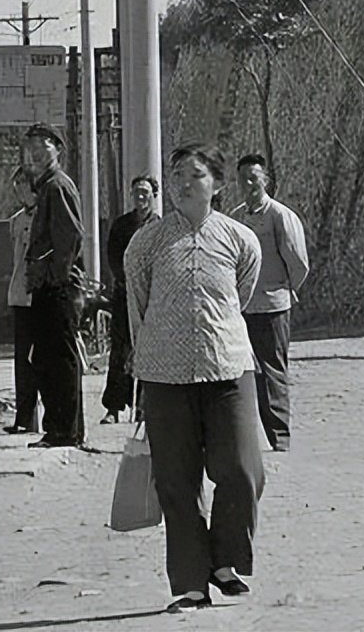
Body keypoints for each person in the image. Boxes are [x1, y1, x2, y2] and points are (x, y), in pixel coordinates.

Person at [125, 143, 265, 613]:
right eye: (178, 174)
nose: (185, 183)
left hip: (227, 366)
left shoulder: (241, 240)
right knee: (176, 482)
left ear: (218, 185)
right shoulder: (147, 242)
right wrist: (152, 349)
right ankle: (190, 582)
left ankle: (224, 561)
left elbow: (240, 295)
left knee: (244, 470)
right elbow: (138, 303)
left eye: (197, 174)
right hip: (164, 375)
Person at [230, 154, 309, 453]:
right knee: (242, 373)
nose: (248, 184)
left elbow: (298, 262)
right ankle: (245, 436)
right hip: (243, 308)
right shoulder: (236, 217)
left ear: (266, 180)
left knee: (273, 370)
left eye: (253, 177)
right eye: (242, 179)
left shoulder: (280, 216)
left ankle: (280, 436)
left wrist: (284, 289)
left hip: (274, 305)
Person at [21, 122, 86, 449]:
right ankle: (61, 428)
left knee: (59, 361)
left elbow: (71, 236)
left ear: (57, 148)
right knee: (48, 359)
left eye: (43, 144)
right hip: (47, 284)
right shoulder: (45, 187)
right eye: (31, 145)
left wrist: (57, 276)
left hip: (56, 286)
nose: (35, 151)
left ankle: (64, 430)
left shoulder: (58, 186)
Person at [100, 174, 160, 424]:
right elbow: (114, 258)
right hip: (124, 295)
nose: (141, 197)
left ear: (154, 196)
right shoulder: (121, 225)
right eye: (137, 192)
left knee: (147, 350)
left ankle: (143, 407)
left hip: (151, 298)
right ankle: (113, 408)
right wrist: (125, 281)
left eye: (145, 192)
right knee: (120, 350)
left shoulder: (159, 227)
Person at [4, 168, 41, 435]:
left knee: (46, 358)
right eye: (17, 185)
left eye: (24, 184)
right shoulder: (16, 221)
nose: (20, 190)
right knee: (22, 360)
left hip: (41, 293)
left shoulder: (46, 214)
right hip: (20, 293)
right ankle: (23, 417)